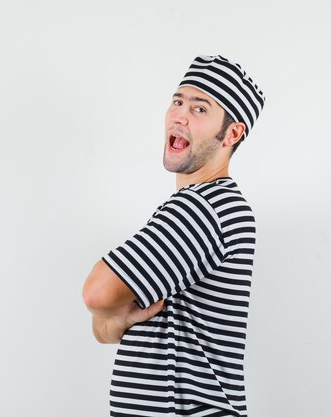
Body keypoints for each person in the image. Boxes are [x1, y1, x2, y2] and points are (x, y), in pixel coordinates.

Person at [82, 53, 266, 417]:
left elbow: (97, 293)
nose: (179, 114)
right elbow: (105, 327)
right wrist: (113, 318)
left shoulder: (203, 209)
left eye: (200, 109)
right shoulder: (190, 208)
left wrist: (109, 315)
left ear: (232, 132)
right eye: (178, 101)